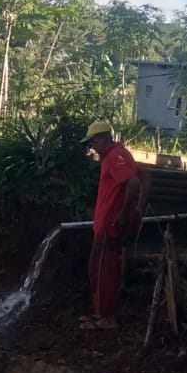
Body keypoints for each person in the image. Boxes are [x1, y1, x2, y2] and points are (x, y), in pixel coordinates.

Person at [81, 120, 145, 332]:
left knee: (103, 271)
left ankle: (107, 318)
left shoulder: (114, 156)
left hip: (109, 226)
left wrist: (124, 213)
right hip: (106, 224)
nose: (93, 147)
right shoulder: (114, 155)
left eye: (93, 142)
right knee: (98, 269)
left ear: (103, 139)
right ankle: (101, 313)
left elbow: (134, 183)